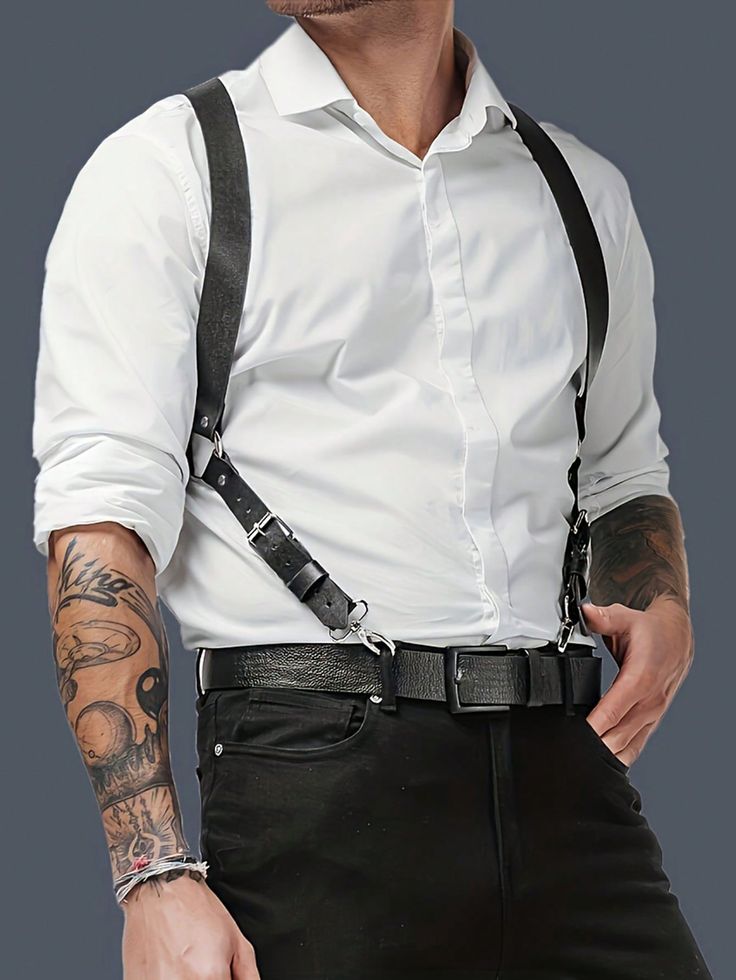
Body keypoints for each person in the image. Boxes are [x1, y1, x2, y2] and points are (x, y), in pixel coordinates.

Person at [31, 1, 712, 977]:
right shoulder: (170, 167)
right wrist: (154, 873)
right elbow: (100, 526)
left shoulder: (579, 191)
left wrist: (661, 600)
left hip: (568, 774)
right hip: (315, 781)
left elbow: (622, 474)